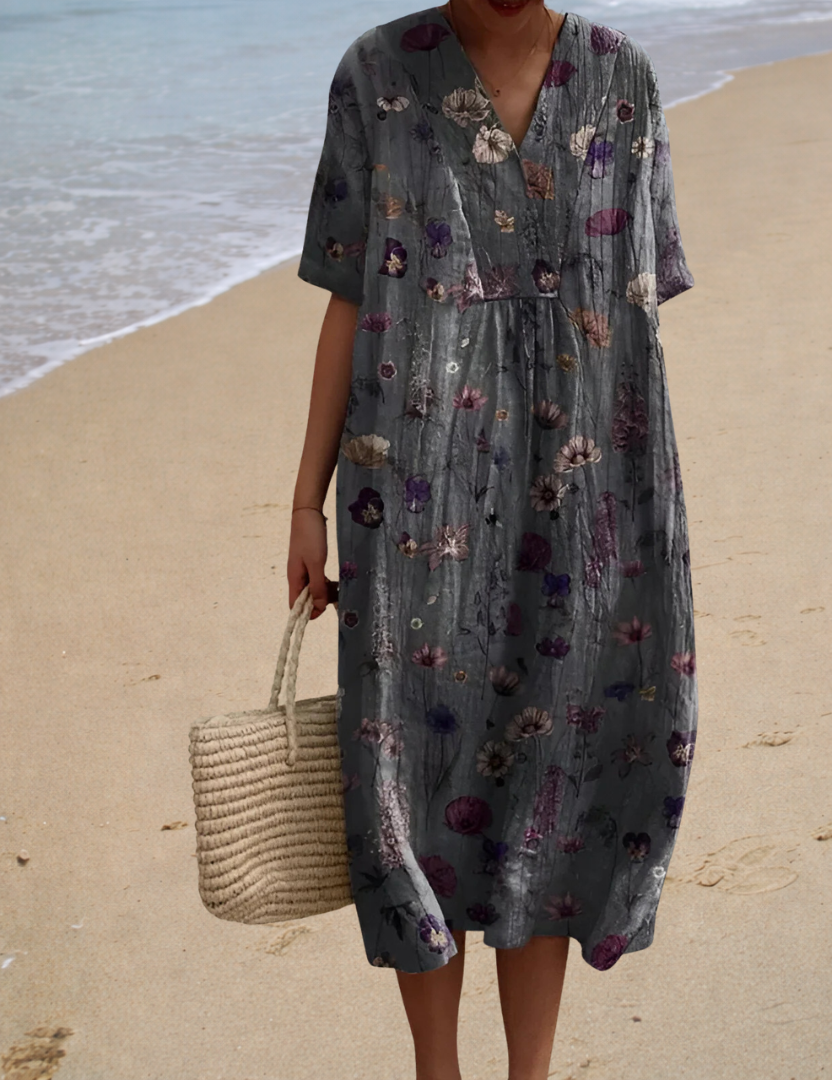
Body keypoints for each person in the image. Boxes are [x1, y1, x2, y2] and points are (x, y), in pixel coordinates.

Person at [287, 1, 697, 1076]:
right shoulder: (376, 75)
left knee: (555, 773)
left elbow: (636, 314)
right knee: (407, 775)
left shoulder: (621, 81)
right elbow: (347, 300)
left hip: (589, 491)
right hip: (411, 497)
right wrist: (303, 502)